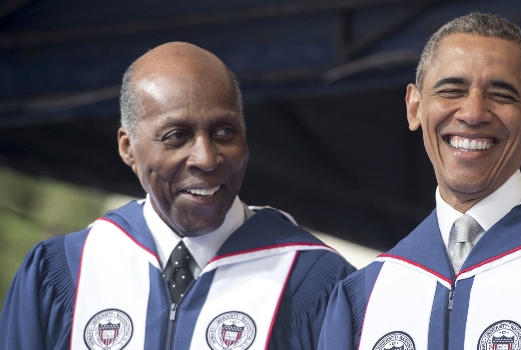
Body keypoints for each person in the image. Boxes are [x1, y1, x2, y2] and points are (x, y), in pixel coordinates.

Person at [318, 12, 521, 350]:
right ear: (414, 107)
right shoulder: (365, 295)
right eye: (451, 90)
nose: (473, 113)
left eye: (501, 95)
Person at [0, 42, 355, 349]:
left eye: (224, 131)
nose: (206, 158)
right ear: (128, 148)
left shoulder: (315, 281)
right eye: (176, 136)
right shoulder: (64, 272)